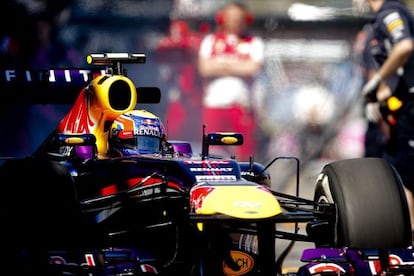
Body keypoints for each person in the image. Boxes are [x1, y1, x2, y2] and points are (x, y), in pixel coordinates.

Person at [362, 0, 414, 235]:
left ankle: (407, 249)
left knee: (403, 178)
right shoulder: (380, 19)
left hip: (410, 110)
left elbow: (404, 46)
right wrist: (378, 97)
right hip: (402, 107)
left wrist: (376, 79)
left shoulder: (390, 12)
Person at [198, 2, 264, 161]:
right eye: (231, 17)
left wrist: (220, 65)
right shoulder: (210, 41)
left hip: (242, 105)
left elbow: (252, 68)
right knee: (212, 150)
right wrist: (237, 66)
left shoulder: (253, 42)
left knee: (246, 152)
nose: (234, 22)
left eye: (239, 18)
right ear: (222, 18)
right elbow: (204, 68)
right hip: (214, 104)